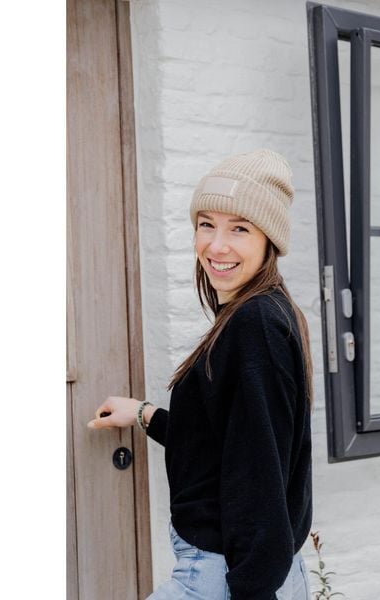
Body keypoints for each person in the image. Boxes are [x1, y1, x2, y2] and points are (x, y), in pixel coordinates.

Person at [88, 148, 314, 600]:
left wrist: (251, 592)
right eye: (206, 224)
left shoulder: (255, 325)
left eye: (239, 228)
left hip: (224, 577)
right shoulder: (264, 314)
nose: (216, 245)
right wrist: (145, 414)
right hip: (254, 571)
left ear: (269, 240)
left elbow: (258, 476)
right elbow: (226, 442)